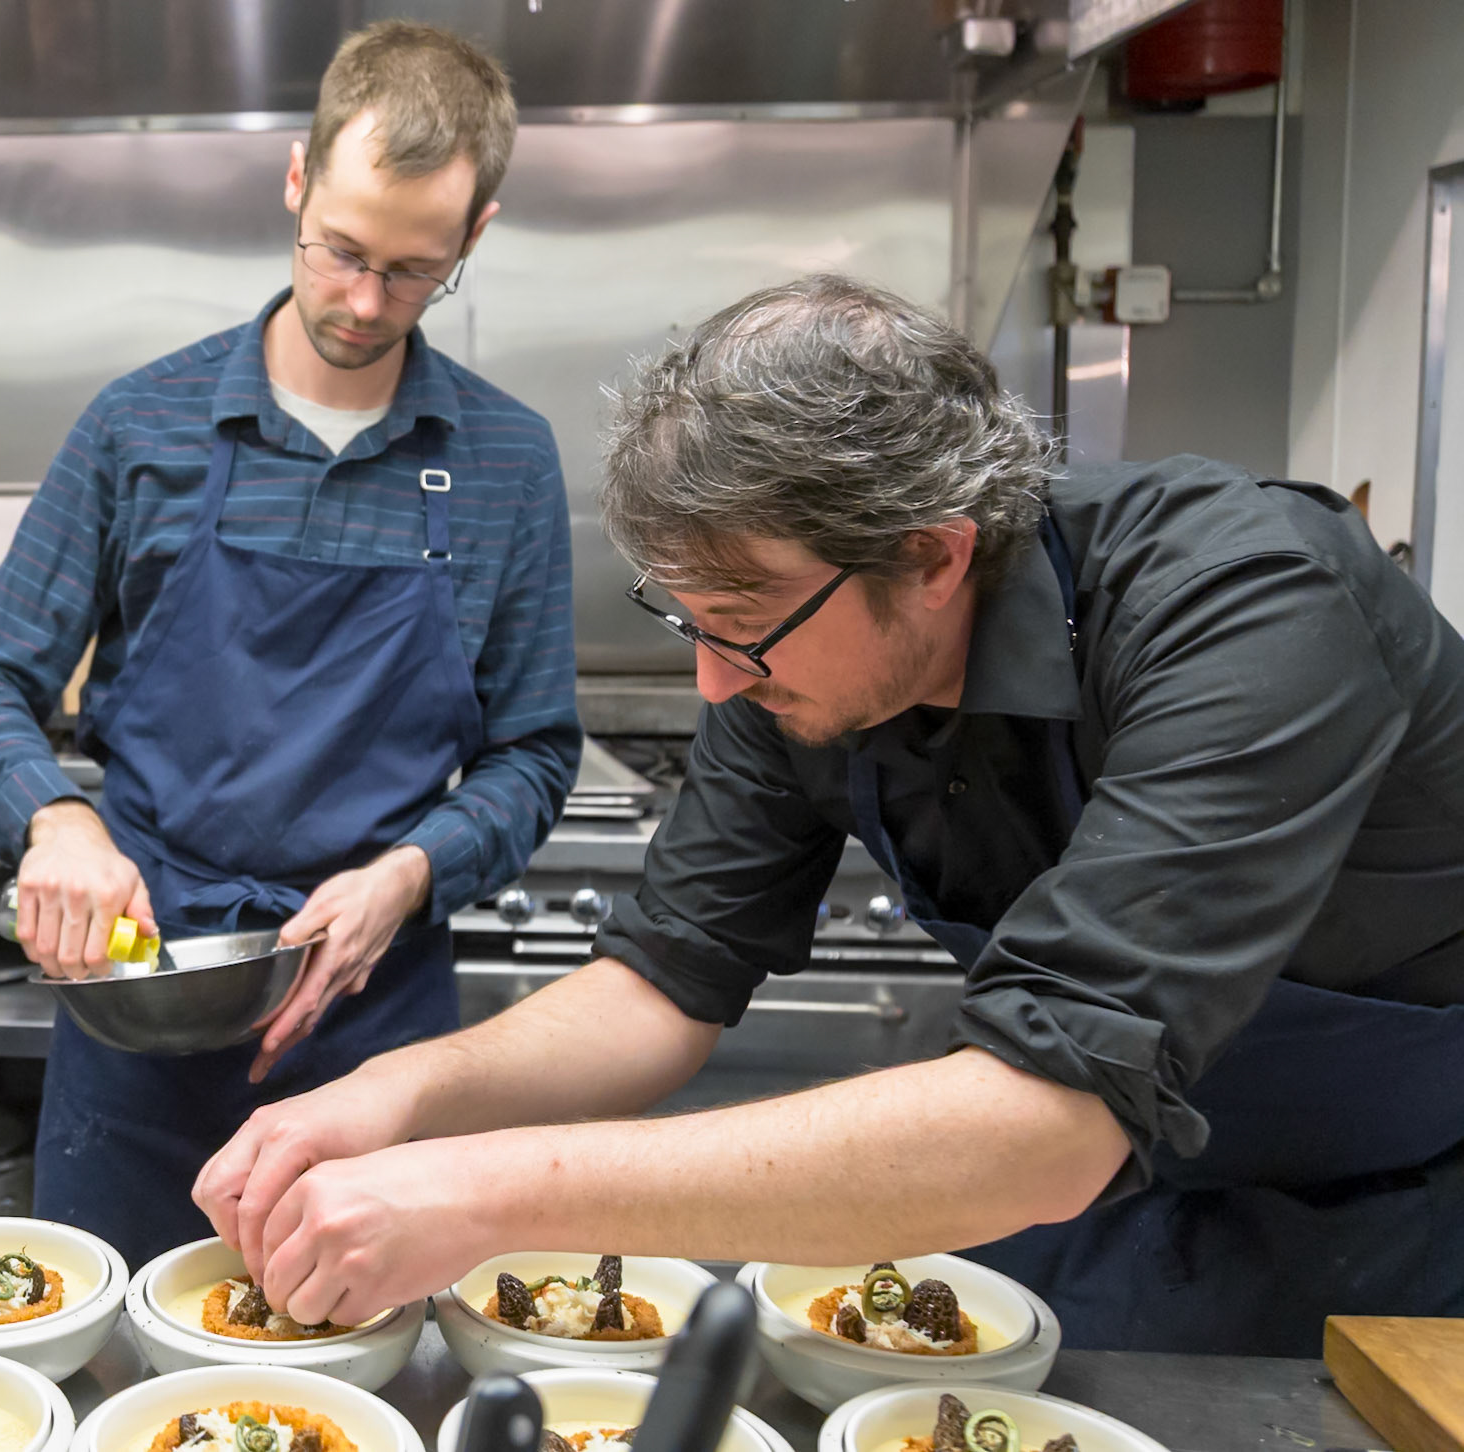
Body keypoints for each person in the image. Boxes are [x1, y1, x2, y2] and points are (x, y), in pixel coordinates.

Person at [191, 274, 1464, 1357]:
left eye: (741, 628)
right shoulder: (795, 648)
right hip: (1132, 1205)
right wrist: (399, 1097)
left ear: (933, 555)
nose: (710, 681)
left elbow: (1048, 1118)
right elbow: (666, 981)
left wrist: (485, 1190)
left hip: (1391, 1227)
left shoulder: (1246, 609)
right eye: (690, 623)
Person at [0, 21, 581, 1269]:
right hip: (142, 998)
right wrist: (56, 820)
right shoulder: (144, 425)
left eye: (413, 270)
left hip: (370, 1026)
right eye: (340, 250)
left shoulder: (504, 460)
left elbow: (534, 753)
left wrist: (415, 870)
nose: (362, 300)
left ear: (474, 238)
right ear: (296, 179)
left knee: (357, 1368)